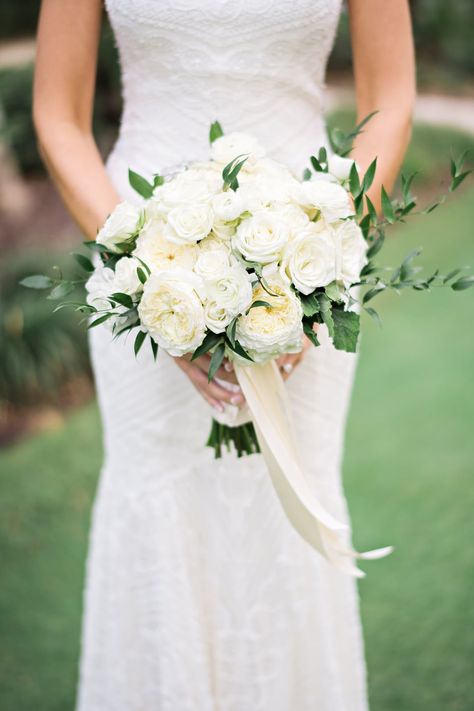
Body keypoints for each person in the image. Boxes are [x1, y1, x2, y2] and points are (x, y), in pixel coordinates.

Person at [33, 1, 415, 709]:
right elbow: (58, 112)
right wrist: (145, 279)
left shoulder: (316, 267)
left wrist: (319, 268)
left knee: (289, 505)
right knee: (160, 508)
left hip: (307, 250)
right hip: (135, 247)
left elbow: (390, 99)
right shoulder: (138, 272)